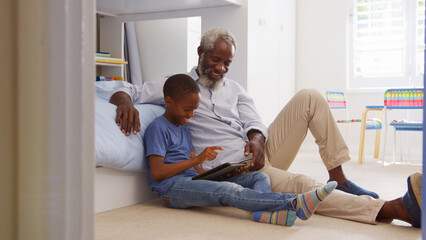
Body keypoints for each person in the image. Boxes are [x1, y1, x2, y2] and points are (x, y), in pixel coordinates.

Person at [110, 28, 422, 227]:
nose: (221, 69)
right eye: (216, 60)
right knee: (301, 183)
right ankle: (393, 209)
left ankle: (339, 177)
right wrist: (125, 103)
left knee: (309, 96)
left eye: (227, 63)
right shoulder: (178, 86)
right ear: (200, 54)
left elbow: (254, 120)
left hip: (259, 152)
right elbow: (126, 90)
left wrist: (258, 142)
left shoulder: (234, 88)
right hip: (234, 168)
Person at [144, 73, 337, 226]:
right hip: (171, 190)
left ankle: (263, 215)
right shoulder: (158, 128)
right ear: (168, 101)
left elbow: (194, 172)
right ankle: (294, 203)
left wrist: (220, 174)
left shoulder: (183, 129)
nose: (192, 115)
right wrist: (197, 160)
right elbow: (158, 172)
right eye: (188, 110)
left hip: (190, 181)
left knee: (259, 177)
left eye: (194, 109)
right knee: (228, 190)